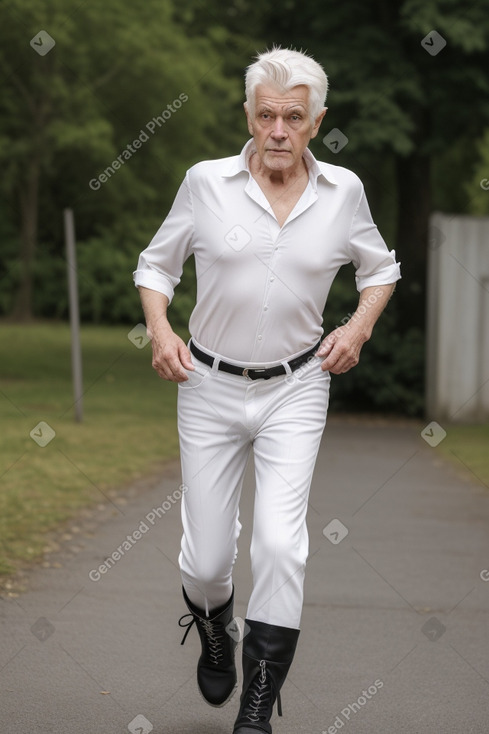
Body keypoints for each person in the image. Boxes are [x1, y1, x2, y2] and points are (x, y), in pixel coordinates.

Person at [133, 47, 401, 734]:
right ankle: (215, 625)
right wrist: (160, 332)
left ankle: (257, 704)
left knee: (282, 545)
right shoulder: (205, 183)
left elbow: (381, 269)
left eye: (293, 116)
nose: (278, 130)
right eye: (265, 115)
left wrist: (358, 328)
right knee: (206, 559)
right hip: (207, 384)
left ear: (316, 121)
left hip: (297, 387)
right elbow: (155, 266)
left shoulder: (343, 193)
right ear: (248, 118)